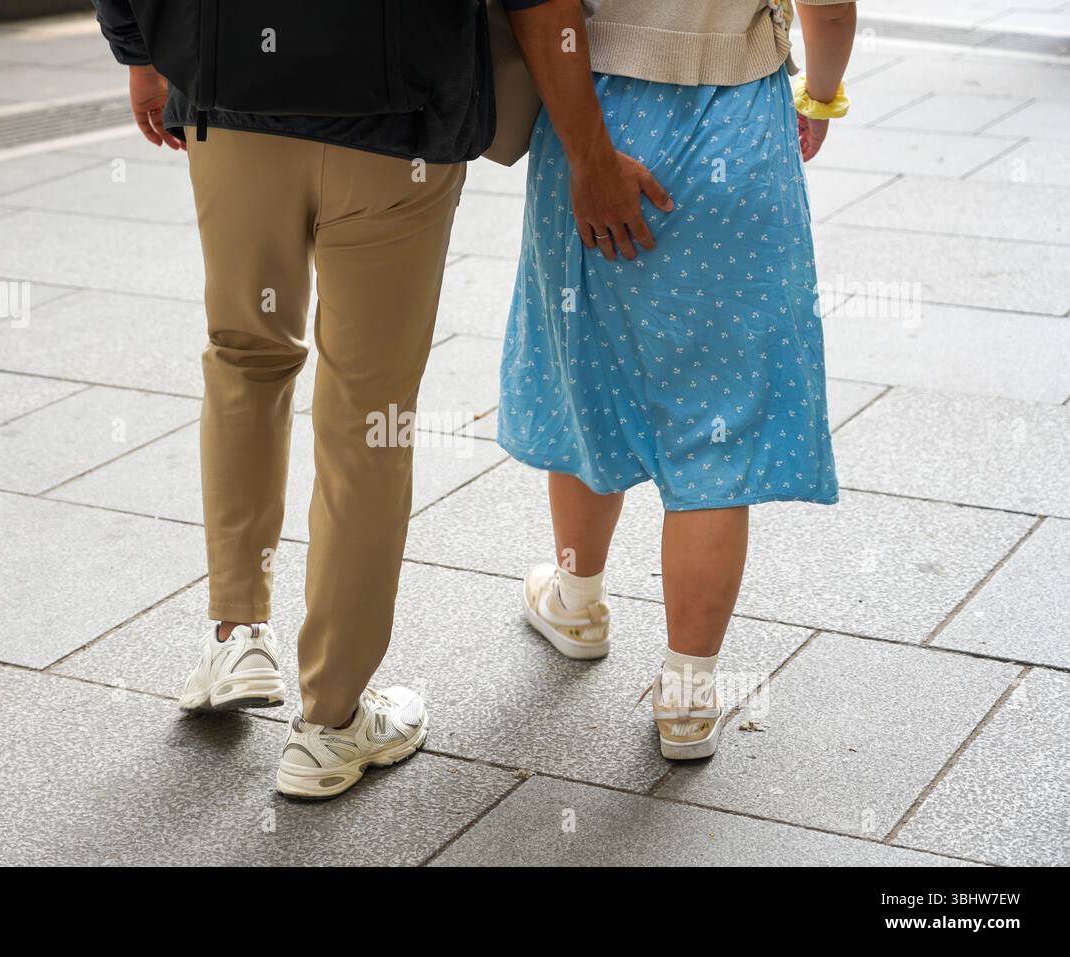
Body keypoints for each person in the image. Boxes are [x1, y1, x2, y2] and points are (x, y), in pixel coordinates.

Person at [90, 0, 564, 799]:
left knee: (246, 359)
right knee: (368, 416)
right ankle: (329, 721)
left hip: (232, 97)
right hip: (399, 120)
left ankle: (238, 632)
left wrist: (140, 51)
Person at [502, 0, 856, 759]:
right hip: (740, 124)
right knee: (716, 423)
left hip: (593, 116)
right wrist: (822, 93)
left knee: (586, 374)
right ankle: (690, 697)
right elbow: (830, 8)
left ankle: (577, 601)